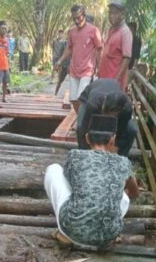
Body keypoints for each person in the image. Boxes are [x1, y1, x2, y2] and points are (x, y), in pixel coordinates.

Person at [44, 115, 139, 249]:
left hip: (72, 231)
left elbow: (71, 183)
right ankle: (106, 229)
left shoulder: (75, 155)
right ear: (113, 140)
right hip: (107, 237)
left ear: (87, 138)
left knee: (54, 169)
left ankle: (65, 235)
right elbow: (134, 193)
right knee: (123, 197)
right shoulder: (124, 162)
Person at [53, 4, 103, 112]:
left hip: (87, 70)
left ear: (84, 15)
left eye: (78, 17)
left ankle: (82, 122)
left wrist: (100, 68)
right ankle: (79, 119)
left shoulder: (94, 30)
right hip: (74, 70)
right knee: (73, 99)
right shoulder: (71, 31)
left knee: (81, 97)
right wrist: (60, 61)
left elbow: (99, 49)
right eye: (74, 18)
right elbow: (69, 49)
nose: (76, 20)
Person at [75, 78, 138, 156]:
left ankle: (121, 158)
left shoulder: (127, 108)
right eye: (107, 113)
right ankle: (83, 154)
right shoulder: (93, 104)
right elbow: (85, 128)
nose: (107, 118)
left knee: (132, 130)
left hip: (112, 98)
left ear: (120, 111)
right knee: (80, 127)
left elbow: (122, 130)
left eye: (112, 115)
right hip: (88, 99)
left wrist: (116, 148)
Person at [99, 0, 133, 91]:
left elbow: (127, 58)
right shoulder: (111, 30)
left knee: (111, 105)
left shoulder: (125, 32)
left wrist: (117, 79)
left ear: (122, 14)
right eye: (110, 13)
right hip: (104, 79)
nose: (111, 16)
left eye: (115, 13)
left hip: (114, 82)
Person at [54, 31, 72, 96]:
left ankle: (72, 97)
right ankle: (55, 94)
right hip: (64, 65)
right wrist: (59, 65)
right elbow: (60, 54)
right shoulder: (64, 44)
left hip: (72, 66)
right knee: (60, 81)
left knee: (73, 82)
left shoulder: (75, 43)